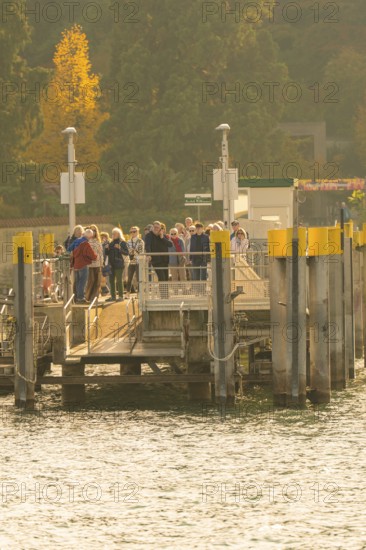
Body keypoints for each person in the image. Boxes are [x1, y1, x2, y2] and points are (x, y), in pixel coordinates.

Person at [71, 229, 97, 304]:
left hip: (76, 265)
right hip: (83, 265)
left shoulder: (76, 243)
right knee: (82, 282)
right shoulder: (86, 244)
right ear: (90, 236)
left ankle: (76, 298)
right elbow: (93, 255)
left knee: (78, 282)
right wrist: (96, 256)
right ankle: (81, 298)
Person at [105, 227, 129, 302]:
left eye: (114, 234)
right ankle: (113, 296)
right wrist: (106, 248)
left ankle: (121, 296)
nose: (113, 235)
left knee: (119, 280)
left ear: (119, 234)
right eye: (112, 234)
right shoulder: (111, 243)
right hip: (111, 264)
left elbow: (126, 253)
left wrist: (120, 248)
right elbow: (107, 254)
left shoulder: (122, 243)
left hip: (119, 264)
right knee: (111, 280)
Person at [85, 224, 103, 302]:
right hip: (89, 264)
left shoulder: (98, 241)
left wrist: (102, 263)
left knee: (97, 281)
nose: (93, 232)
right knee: (90, 281)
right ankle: (88, 297)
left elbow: (101, 253)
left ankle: (95, 297)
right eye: (91, 230)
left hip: (98, 264)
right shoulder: (86, 241)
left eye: (94, 230)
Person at [126, 226, 144, 296]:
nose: (132, 233)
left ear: (138, 232)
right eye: (131, 232)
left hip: (138, 261)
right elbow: (128, 251)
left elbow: (141, 251)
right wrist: (131, 252)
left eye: (134, 231)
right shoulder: (128, 241)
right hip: (131, 261)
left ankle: (139, 293)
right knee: (129, 277)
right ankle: (127, 292)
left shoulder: (141, 241)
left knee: (139, 278)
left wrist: (134, 251)